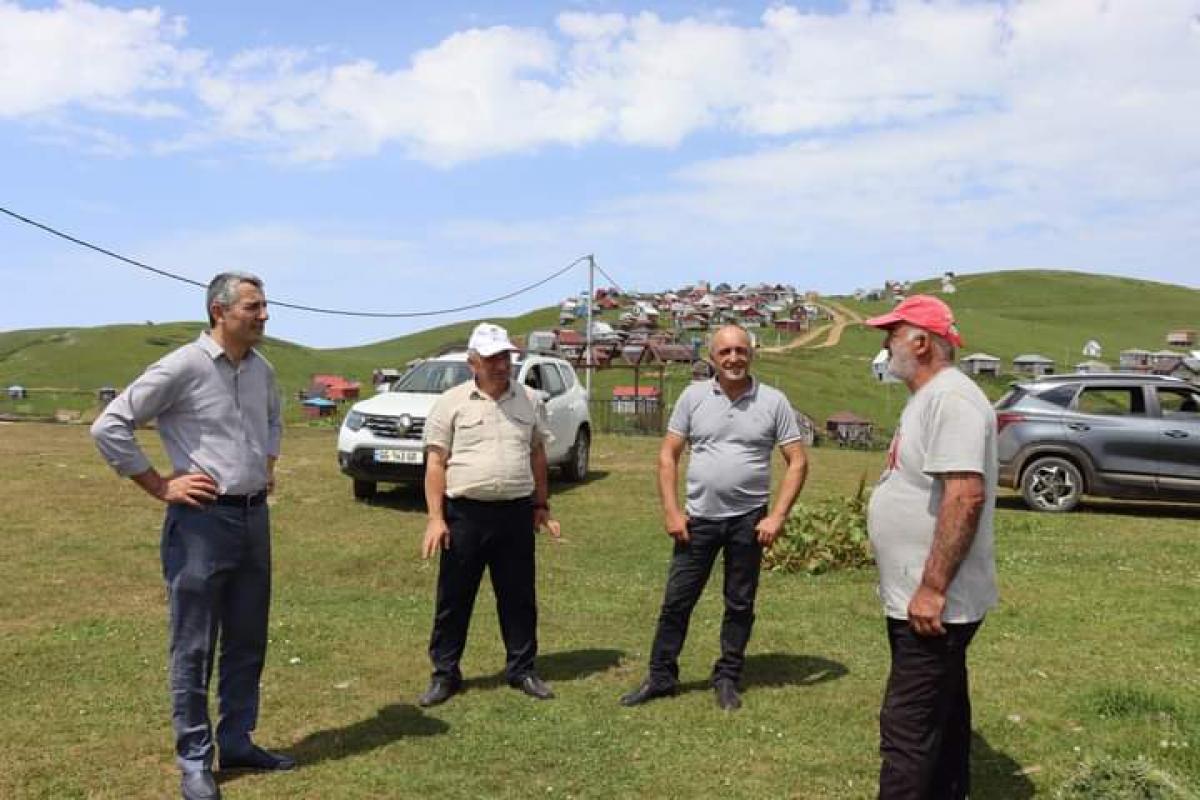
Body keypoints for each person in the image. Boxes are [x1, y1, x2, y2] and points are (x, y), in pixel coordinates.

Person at [90, 272, 293, 800]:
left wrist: (266, 465)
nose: (265, 315)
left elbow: (274, 420)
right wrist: (159, 485)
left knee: (247, 638)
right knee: (194, 644)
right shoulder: (183, 365)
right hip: (201, 521)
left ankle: (238, 741)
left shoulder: (262, 369)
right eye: (253, 306)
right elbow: (110, 425)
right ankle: (195, 760)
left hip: (253, 518)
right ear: (219, 312)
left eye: (264, 305)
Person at [620, 324, 808, 711]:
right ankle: (661, 677)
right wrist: (672, 511)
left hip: (749, 520)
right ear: (712, 357)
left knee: (739, 604)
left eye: (740, 350)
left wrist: (777, 516)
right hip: (698, 520)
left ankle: (727, 678)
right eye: (725, 352)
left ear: (751, 353)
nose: (734, 358)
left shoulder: (773, 401)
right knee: (677, 602)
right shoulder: (693, 397)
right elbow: (668, 455)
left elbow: (798, 461)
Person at [864, 295, 998, 800]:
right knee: (943, 714)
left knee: (907, 728)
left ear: (921, 342)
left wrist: (932, 587)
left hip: (936, 603)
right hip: (923, 598)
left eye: (893, 334)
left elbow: (965, 496)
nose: (886, 345)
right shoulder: (929, 397)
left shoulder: (952, 399)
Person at [418, 322, 562, 707]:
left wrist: (541, 505)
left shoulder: (530, 400)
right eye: (492, 358)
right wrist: (436, 518)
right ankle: (445, 674)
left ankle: (522, 669)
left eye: (506, 357)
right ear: (473, 363)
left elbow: (537, 454)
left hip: (515, 514)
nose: (501, 365)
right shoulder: (451, 402)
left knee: (519, 596)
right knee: (454, 598)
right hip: (465, 515)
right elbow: (436, 463)